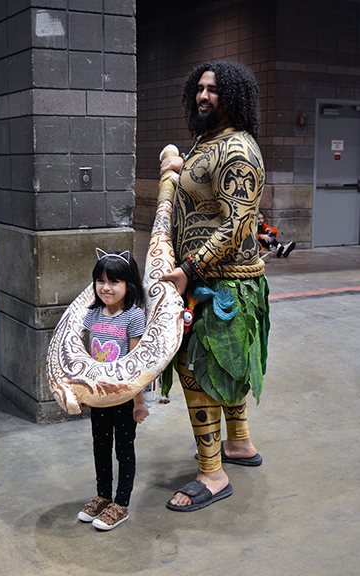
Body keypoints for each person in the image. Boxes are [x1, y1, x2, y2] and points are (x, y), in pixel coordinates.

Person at [160, 60, 270, 512]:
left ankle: (212, 474)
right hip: (212, 279)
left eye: (214, 91)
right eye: (200, 90)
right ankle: (239, 444)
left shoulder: (239, 149)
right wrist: (179, 165)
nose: (204, 97)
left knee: (197, 372)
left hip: (220, 283)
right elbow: (203, 187)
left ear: (234, 97)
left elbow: (239, 223)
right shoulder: (210, 140)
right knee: (224, 367)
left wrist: (190, 268)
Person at [78, 248, 149, 530]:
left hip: (124, 398)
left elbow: (136, 365)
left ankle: (121, 504)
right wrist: (84, 393)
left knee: (124, 449)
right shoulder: (93, 313)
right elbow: (86, 358)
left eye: (113, 282)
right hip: (99, 397)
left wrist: (139, 403)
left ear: (128, 285)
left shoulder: (133, 317)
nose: (106, 288)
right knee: (100, 447)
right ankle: (103, 495)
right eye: (100, 281)